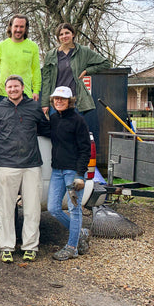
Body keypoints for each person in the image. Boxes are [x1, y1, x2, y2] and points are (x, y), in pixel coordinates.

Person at [0, 75, 50, 263]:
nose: (13, 89)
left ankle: (30, 246)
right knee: (5, 208)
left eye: (16, 86)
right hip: (6, 164)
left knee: (32, 208)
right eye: (9, 87)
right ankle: (6, 246)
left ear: (22, 88)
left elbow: (46, 129)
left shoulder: (34, 107)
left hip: (31, 164)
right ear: (5, 90)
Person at [46, 86, 91, 260]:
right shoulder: (54, 119)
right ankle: (80, 232)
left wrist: (80, 174)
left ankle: (72, 247)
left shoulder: (78, 121)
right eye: (56, 99)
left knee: (74, 209)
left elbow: (85, 149)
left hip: (73, 172)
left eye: (63, 99)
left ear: (70, 101)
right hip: (57, 170)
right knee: (53, 208)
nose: (59, 101)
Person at [41, 22, 110, 115]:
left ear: (73, 34)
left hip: (75, 101)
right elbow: (46, 81)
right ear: (58, 38)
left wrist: (87, 71)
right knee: (56, 128)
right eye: (61, 34)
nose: (64, 36)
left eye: (67, 33)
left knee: (75, 128)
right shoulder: (50, 55)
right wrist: (45, 103)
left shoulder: (83, 51)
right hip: (57, 101)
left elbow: (105, 63)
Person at [0, 15, 41, 101]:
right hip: (3, 95)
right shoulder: (2, 46)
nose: (18, 29)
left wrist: (36, 90)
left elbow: (36, 70)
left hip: (25, 95)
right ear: (10, 27)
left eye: (22, 27)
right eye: (16, 26)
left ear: (26, 28)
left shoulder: (33, 46)